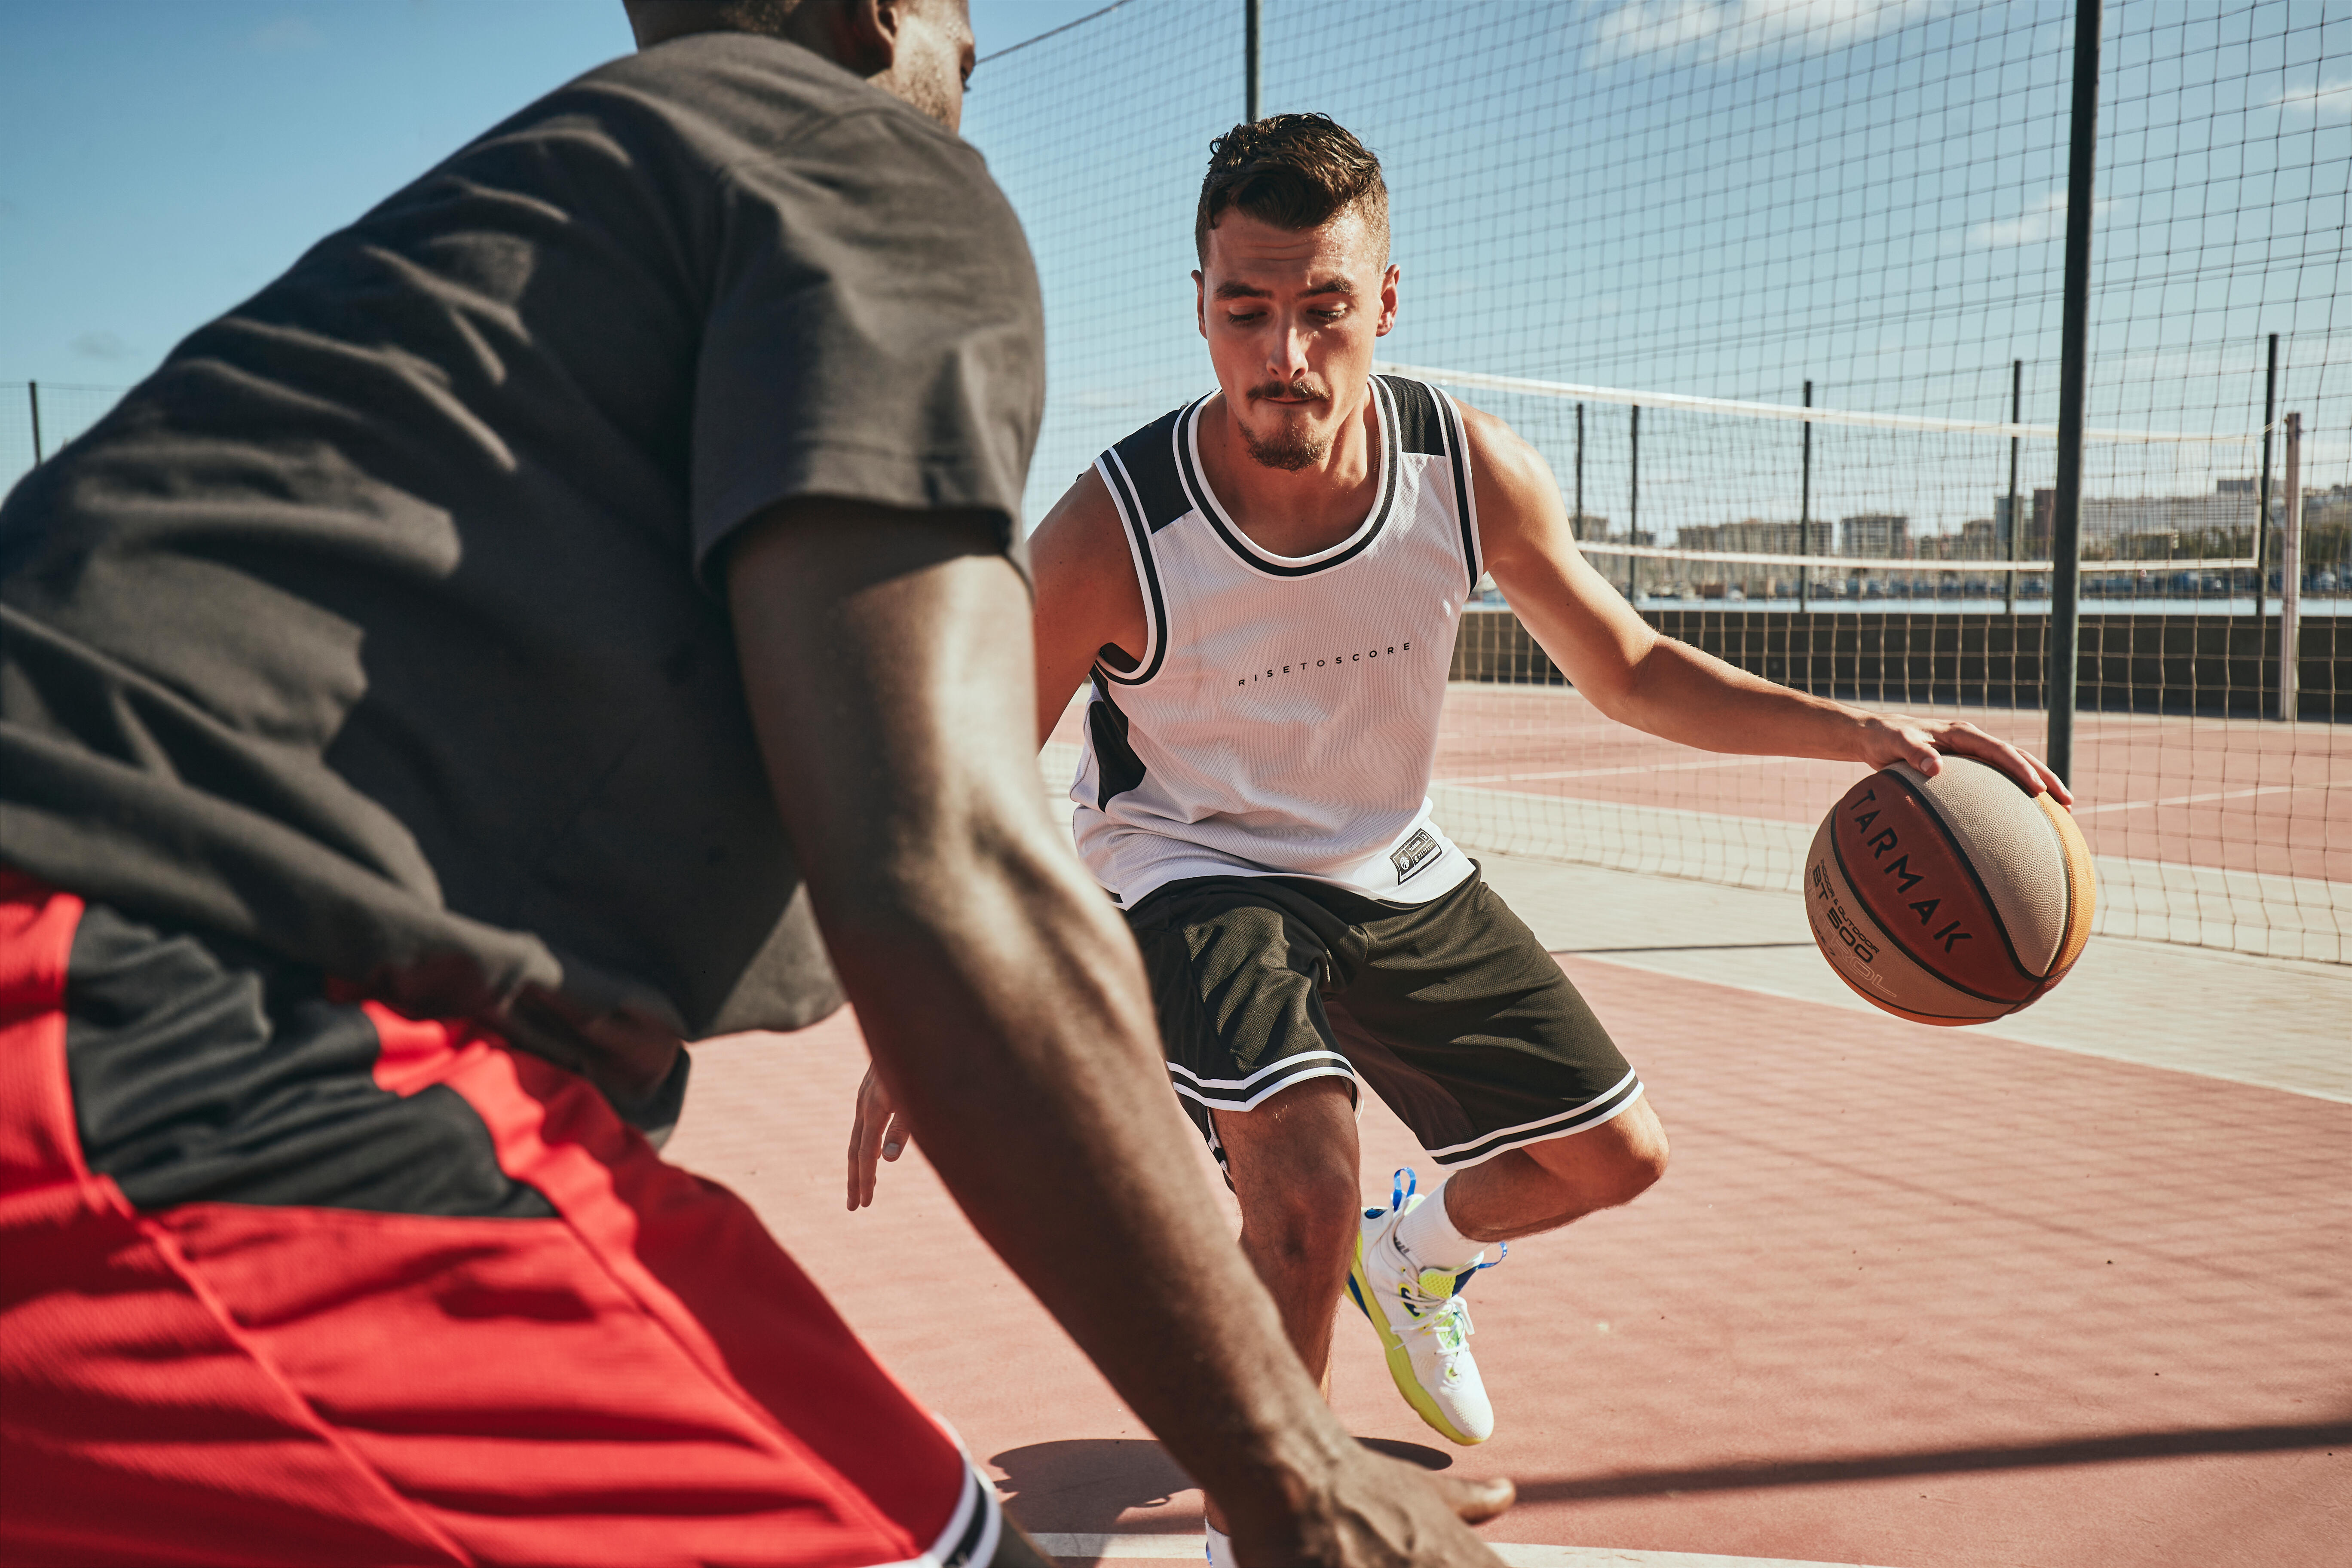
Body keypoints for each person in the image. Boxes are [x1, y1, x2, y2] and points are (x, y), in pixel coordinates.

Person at [0, 8, 1510, 1565]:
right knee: (921, 1542)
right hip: (156, 1058)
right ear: (880, 11)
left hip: (132, 1042)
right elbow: (940, 872)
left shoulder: (502, 244)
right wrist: (1287, 1464)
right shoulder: (851, 164)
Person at [851, 111, 2068, 1567]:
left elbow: (1628, 666)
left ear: (1386, 302)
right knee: (1300, 1190)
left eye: (1323, 309)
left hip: (1386, 860)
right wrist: (928, 1004)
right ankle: (1285, 1521)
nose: (1283, 355)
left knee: (1617, 1157)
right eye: (1246, 311)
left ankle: (1415, 1258)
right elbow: (980, 764)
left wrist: (1864, 736)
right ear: (1200, 305)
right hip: (1189, 863)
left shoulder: (1462, 469)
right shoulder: (1116, 528)